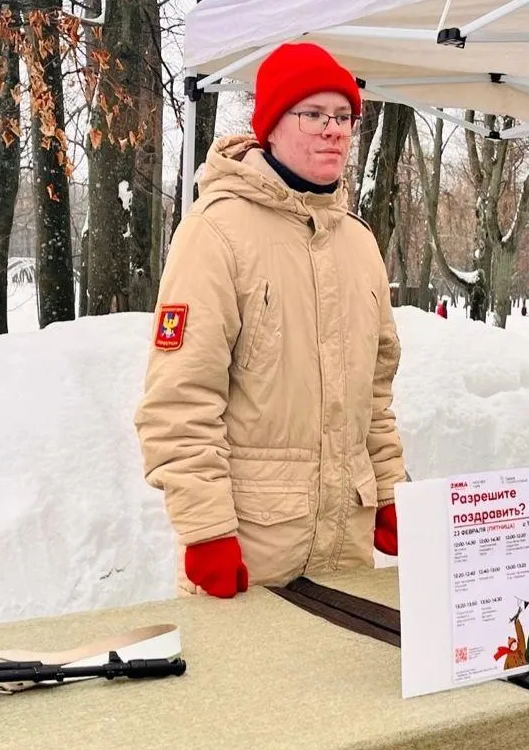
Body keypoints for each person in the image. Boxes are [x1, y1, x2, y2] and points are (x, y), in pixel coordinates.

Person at [133, 42, 405, 599]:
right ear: (271, 126)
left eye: (344, 117)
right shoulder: (217, 232)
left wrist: (390, 490)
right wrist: (206, 530)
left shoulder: (360, 244)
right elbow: (180, 400)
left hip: (346, 550)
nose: (333, 131)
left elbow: (374, 398)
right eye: (313, 114)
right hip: (250, 550)